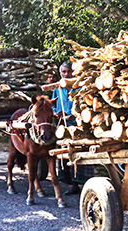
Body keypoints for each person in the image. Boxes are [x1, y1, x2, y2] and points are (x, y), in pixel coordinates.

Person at [51, 62, 96, 195]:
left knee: (82, 155)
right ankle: (73, 185)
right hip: (63, 127)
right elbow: (53, 106)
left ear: (74, 72)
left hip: (79, 126)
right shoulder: (57, 89)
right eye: (64, 72)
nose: (67, 74)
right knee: (66, 155)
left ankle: (86, 184)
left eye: (69, 72)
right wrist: (56, 113)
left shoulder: (80, 87)